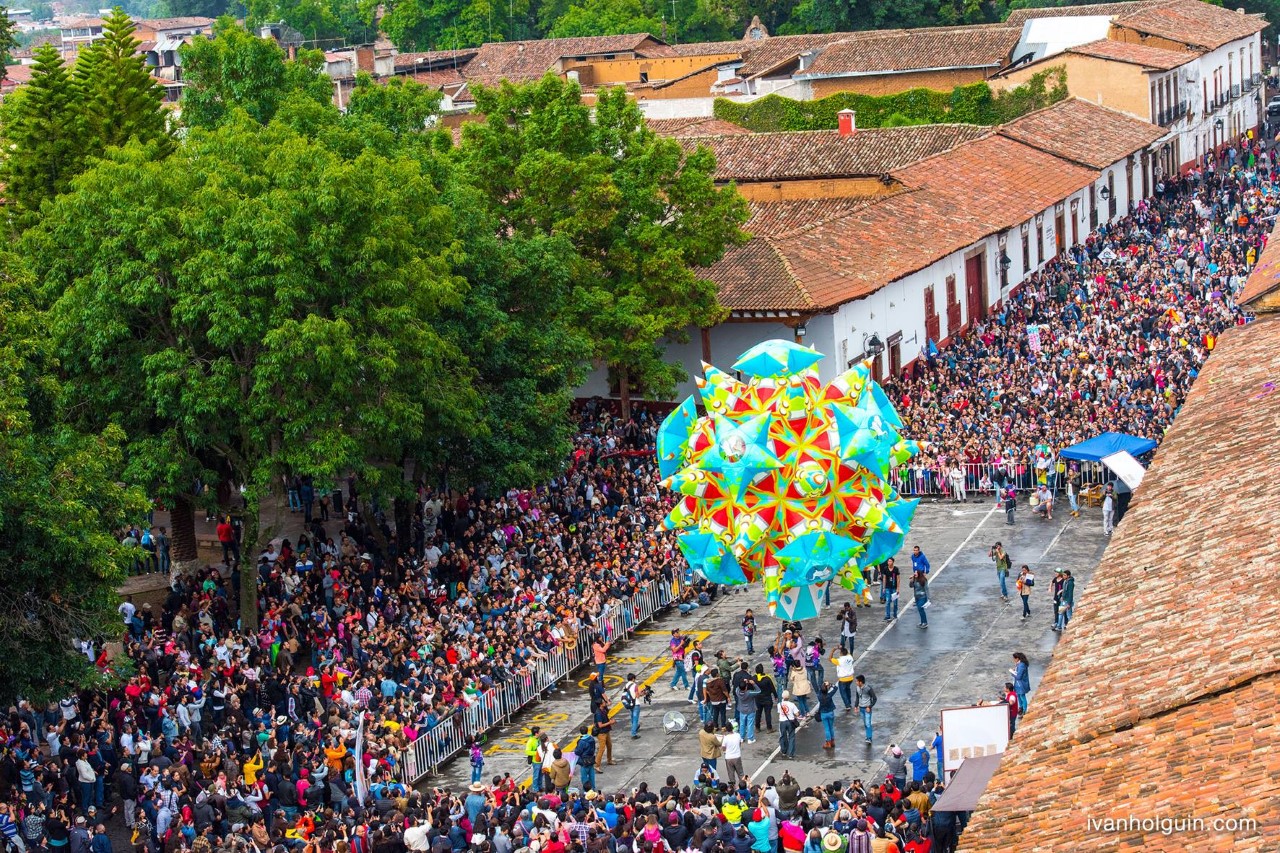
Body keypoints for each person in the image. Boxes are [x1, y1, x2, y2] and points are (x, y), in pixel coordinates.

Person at [777, 692, 800, 759]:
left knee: (783, 736)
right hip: (790, 722)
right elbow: (797, 714)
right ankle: (791, 753)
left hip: (782, 722)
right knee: (791, 737)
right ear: (788, 697)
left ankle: (784, 750)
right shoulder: (792, 704)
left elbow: (779, 712)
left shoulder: (779, 704)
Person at [854, 675, 876, 744]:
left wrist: (869, 706)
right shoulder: (857, 688)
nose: (856, 682)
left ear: (861, 682)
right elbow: (857, 697)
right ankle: (867, 736)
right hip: (861, 708)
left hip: (867, 709)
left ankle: (869, 738)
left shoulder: (868, 688)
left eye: (857, 681)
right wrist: (856, 706)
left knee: (868, 723)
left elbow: (874, 698)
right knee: (865, 723)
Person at [575, 725, 597, 791]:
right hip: (591, 759)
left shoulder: (581, 741)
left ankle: (586, 790)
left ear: (580, 732)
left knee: (584, 777)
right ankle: (593, 788)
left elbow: (578, 751)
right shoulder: (591, 738)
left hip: (584, 761)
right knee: (591, 775)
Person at [817, 682, 838, 749]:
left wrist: (823, 685)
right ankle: (832, 741)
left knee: (827, 729)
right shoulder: (829, 695)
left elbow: (820, 691)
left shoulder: (819, 696)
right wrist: (830, 684)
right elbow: (835, 688)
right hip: (830, 712)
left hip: (823, 713)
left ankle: (828, 743)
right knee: (831, 727)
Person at [881, 558, 900, 622]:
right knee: (887, 602)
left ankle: (895, 614)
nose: (889, 562)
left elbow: (898, 579)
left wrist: (898, 588)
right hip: (887, 587)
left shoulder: (896, 569)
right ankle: (887, 615)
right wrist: (883, 588)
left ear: (893, 562)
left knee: (895, 603)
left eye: (890, 561)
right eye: (888, 561)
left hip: (894, 587)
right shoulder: (885, 569)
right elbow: (884, 578)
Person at [622, 673, 641, 738]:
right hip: (635, 704)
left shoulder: (626, 685)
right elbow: (637, 695)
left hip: (629, 703)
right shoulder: (635, 685)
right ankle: (633, 733)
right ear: (633, 678)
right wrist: (641, 693)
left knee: (632, 717)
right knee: (635, 719)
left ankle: (634, 728)